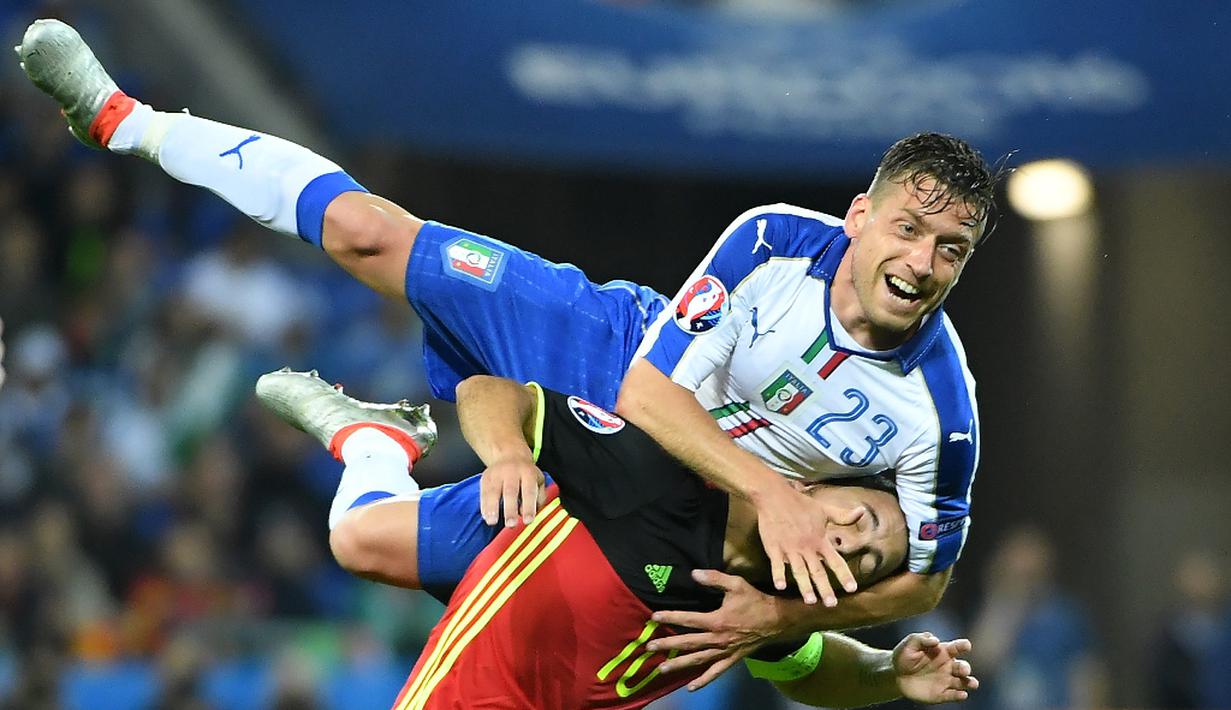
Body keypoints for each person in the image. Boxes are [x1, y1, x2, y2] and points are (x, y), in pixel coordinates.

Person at [18, 19, 996, 673]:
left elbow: (927, 576)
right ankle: (125, 121)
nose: (920, 259)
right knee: (370, 234)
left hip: (670, 517)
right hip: (624, 350)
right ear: (860, 214)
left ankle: (373, 443)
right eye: (907, 227)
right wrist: (777, 490)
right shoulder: (777, 234)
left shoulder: (940, 412)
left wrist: (789, 620)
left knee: (360, 540)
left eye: (949, 247)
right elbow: (654, 387)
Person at [255, 367, 979, 709]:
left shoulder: (761, 607)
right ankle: (381, 444)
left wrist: (890, 674)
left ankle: (371, 442)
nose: (852, 538)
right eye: (865, 516)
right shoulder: (657, 480)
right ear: (823, 483)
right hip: (543, 525)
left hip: (555, 584)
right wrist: (509, 454)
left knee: (356, 539)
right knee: (355, 543)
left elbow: (813, 666)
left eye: (863, 559)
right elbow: (490, 390)